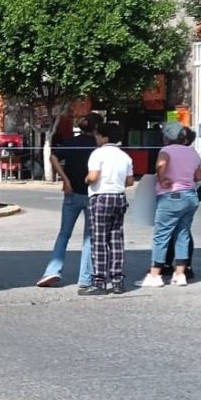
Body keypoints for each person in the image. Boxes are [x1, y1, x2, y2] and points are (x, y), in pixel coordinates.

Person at [37, 112, 102, 289]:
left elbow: (53, 157)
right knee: (89, 237)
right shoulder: (98, 146)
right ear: (97, 128)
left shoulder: (71, 142)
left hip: (71, 192)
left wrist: (64, 179)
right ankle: (85, 277)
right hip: (92, 194)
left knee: (64, 234)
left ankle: (52, 270)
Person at [140, 122, 201, 288]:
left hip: (171, 196)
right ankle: (180, 274)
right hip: (190, 196)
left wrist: (162, 179)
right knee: (183, 234)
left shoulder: (166, 151)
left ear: (167, 137)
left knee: (161, 235)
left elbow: (161, 164)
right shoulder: (193, 153)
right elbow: (198, 177)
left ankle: (155, 275)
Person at [82, 122, 134, 295]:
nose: (96, 138)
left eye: (98, 135)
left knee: (99, 240)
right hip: (119, 197)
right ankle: (118, 281)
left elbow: (93, 176)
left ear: (105, 137)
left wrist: (86, 180)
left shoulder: (98, 153)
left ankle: (99, 282)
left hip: (101, 197)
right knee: (116, 240)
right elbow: (129, 181)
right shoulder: (125, 156)